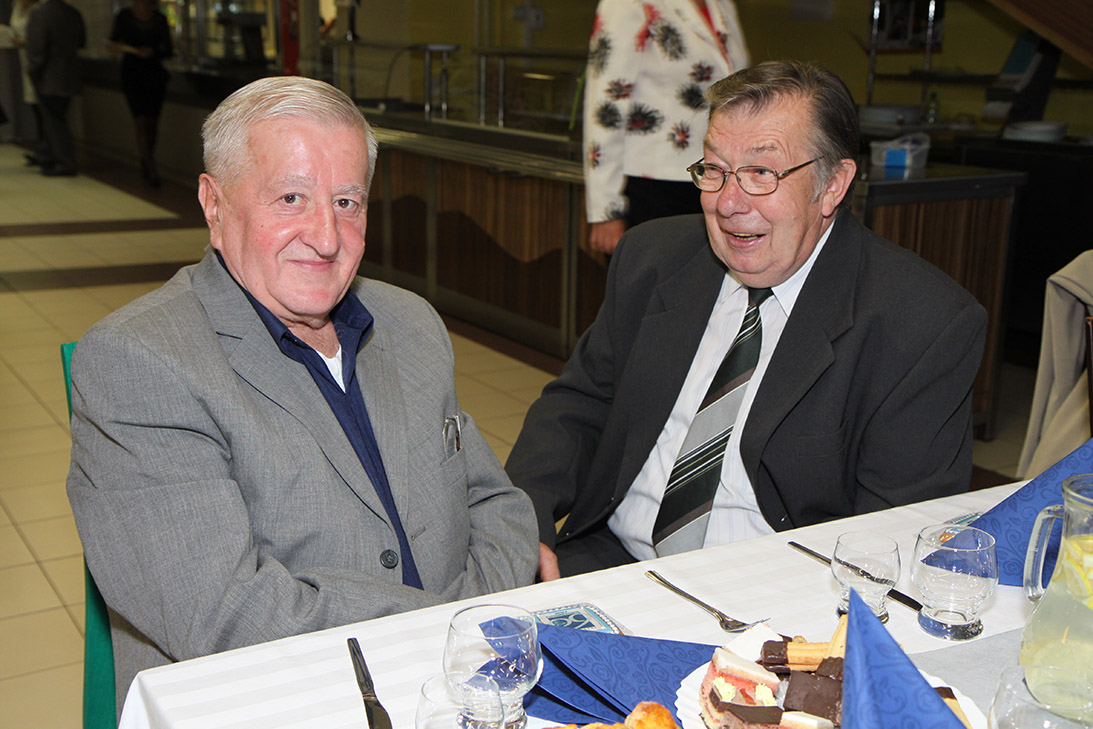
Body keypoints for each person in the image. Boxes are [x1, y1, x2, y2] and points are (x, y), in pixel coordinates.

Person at [66, 76, 538, 714]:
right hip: (272, 703)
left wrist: (467, 644)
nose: (326, 236)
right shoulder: (141, 360)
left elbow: (499, 507)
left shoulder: (412, 323)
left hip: (460, 688)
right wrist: (449, 627)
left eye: (347, 201)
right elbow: (226, 616)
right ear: (214, 203)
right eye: (291, 198)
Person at [507, 60, 988, 579]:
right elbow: (580, 404)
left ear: (833, 184)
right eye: (714, 170)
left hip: (782, 593)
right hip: (611, 559)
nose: (728, 203)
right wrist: (518, 524)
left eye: (762, 173)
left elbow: (893, 535)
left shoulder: (923, 323)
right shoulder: (653, 258)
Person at [583, 0, 748, 254]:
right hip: (651, 185)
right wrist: (606, 210)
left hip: (714, 178)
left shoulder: (721, 4)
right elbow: (606, 104)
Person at [109, 0, 173, 186]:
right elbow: (113, 42)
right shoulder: (124, 17)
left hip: (154, 75)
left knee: (152, 121)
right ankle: (149, 164)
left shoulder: (159, 19)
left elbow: (168, 49)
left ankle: (147, 158)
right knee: (141, 120)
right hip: (132, 74)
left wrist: (153, 52)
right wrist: (131, 50)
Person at [24, 0, 85, 176]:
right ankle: (46, 153)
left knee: (53, 120)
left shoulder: (39, 14)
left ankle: (64, 161)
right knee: (57, 116)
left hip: (48, 74)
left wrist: (33, 70)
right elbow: (81, 41)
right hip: (70, 72)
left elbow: (36, 47)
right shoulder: (73, 13)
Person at [7, 0, 50, 165]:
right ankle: (42, 150)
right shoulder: (16, 7)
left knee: (44, 109)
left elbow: (44, 38)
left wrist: (26, 42)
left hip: (40, 63)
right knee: (34, 106)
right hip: (25, 60)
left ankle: (49, 152)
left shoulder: (40, 9)